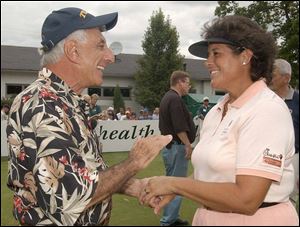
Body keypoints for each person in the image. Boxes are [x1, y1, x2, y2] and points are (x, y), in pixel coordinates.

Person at [6, 7, 172, 226]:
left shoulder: (66, 102)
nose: (111, 56)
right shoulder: (44, 104)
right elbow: (70, 198)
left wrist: (135, 186)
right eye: (100, 46)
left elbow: (82, 173)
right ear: (73, 51)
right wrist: (133, 162)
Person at [141, 15, 299, 226]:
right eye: (208, 55)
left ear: (245, 56)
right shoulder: (217, 110)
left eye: (216, 54)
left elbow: (247, 199)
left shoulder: (266, 109)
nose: (208, 62)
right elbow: (210, 178)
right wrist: (173, 188)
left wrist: (174, 184)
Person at [158, 70, 196, 226]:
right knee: (177, 185)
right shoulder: (174, 99)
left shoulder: (169, 97)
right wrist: (187, 144)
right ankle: (168, 221)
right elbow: (179, 126)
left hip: (170, 146)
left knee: (171, 184)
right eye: (187, 83)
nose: (189, 86)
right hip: (177, 146)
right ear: (180, 82)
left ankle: (171, 218)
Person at [270, 58, 299, 206]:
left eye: (273, 75)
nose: (269, 78)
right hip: (268, 155)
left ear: (286, 78)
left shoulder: (298, 100)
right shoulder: (266, 99)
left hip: (293, 157)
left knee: (289, 199)